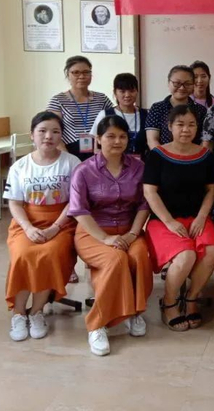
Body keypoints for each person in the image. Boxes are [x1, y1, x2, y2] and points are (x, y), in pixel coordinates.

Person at [69, 116, 152, 356]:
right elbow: (79, 210)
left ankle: (134, 312)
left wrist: (133, 233)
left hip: (129, 230)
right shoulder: (84, 171)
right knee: (116, 259)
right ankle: (97, 324)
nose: (117, 141)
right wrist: (105, 238)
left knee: (140, 256)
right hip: (93, 232)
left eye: (122, 136)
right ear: (98, 139)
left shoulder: (138, 167)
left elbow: (144, 204)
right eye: (111, 136)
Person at [4, 112, 81, 342]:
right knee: (22, 254)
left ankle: (36, 312)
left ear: (61, 135)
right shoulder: (20, 166)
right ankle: (19, 313)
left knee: (50, 254)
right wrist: (28, 228)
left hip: (62, 223)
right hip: (27, 222)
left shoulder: (72, 163)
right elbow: (14, 203)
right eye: (42, 131)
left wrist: (55, 228)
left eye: (55, 131)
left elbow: (74, 202)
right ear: (32, 135)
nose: (49, 136)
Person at [144, 105, 214, 332]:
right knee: (186, 255)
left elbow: (211, 189)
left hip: (197, 218)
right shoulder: (157, 155)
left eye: (191, 125)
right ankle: (169, 302)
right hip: (164, 221)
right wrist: (169, 222)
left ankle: (192, 298)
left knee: (211, 251)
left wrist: (202, 216)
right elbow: (150, 192)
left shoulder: (204, 155)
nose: (186, 130)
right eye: (180, 124)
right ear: (170, 127)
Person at [47, 56, 114, 161]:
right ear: (68, 75)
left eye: (86, 72)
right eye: (76, 72)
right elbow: (52, 131)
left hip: (99, 152)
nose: (82, 76)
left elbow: (113, 124)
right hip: (69, 151)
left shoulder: (102, 99)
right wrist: (67, 158)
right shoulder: (58, 100)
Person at [145, 65, 207, 149]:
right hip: (162, 155)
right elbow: (152, 140)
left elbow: (204, 139)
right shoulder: (157, 108)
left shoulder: (201, 110)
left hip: (193, 155)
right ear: (168, 83)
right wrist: (164, 156)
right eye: (177, 83)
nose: (182, 88)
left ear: (193, 85)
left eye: (187, 84)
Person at [90, 73, 149, 158]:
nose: (127, 95)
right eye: (122, 91)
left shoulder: (146, 114)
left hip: (141, 163)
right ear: (115, 93)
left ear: (137, 91)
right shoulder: (105, 114)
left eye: (132, 91)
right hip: (112, 163)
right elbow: (95, 143)